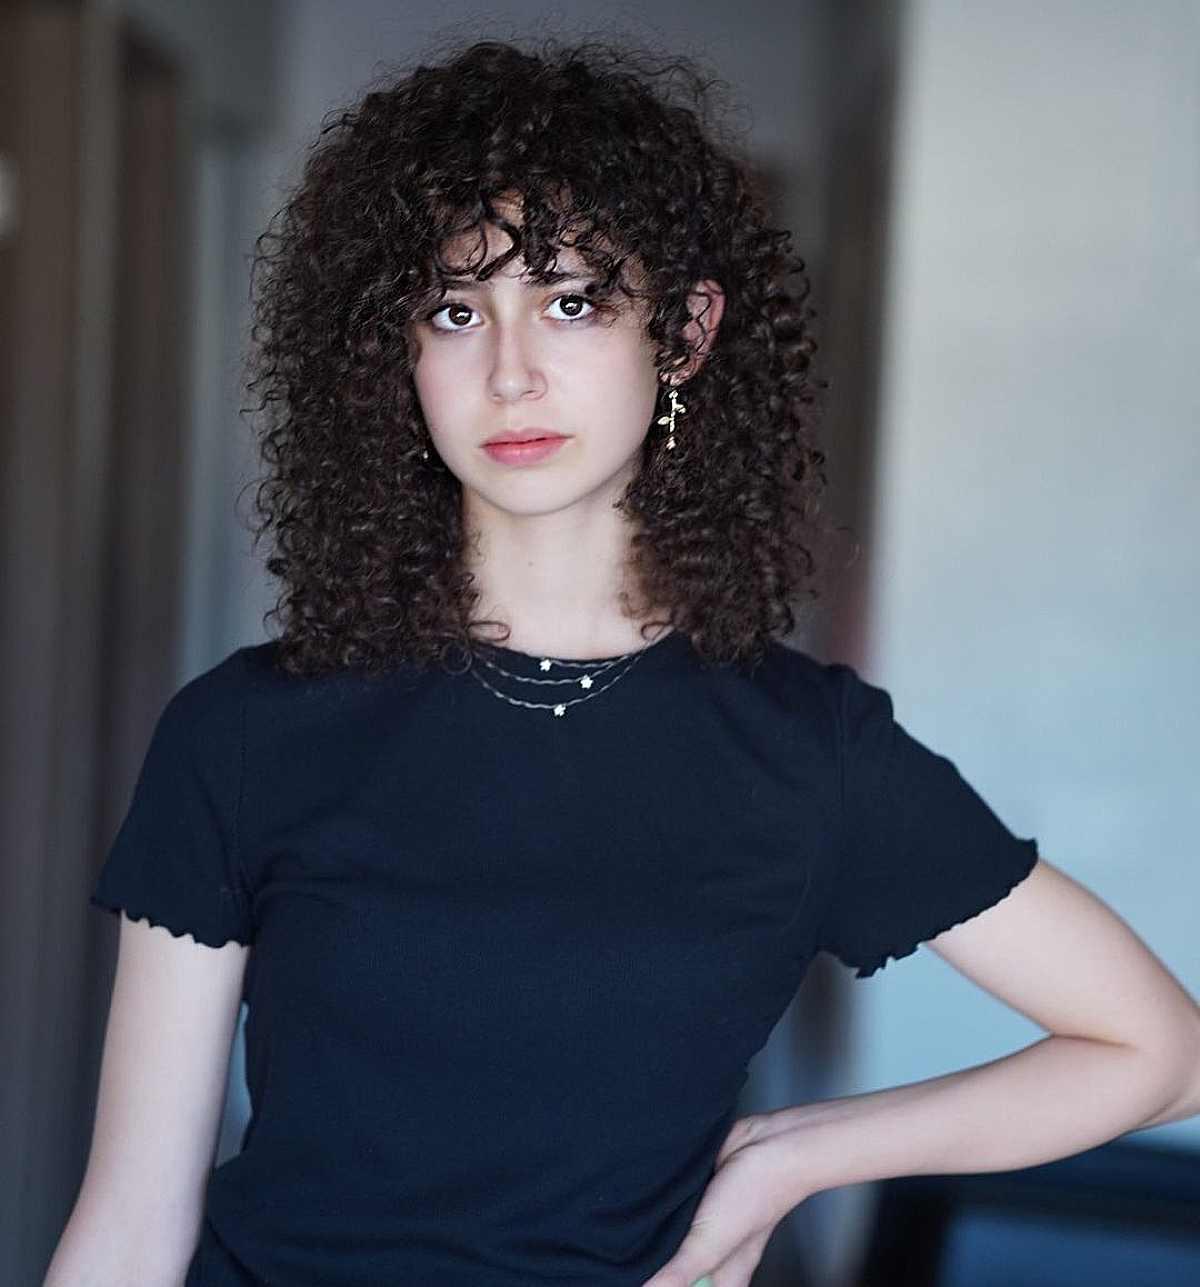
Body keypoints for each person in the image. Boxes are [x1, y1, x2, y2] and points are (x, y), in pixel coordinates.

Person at [48, 35, 1200, 1287]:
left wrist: (793, 1156)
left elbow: (1155, 1051)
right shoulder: (245, 732)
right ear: (400, 357)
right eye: (453, 310)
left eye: (573, 301)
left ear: (686, 335)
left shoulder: (809, 752)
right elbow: (129, 1228)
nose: (510, 370)